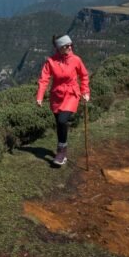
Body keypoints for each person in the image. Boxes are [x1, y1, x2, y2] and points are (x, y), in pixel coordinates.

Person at [35, 34, 90, 166]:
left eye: (70, 44)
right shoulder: (51, 61)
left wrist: (85, 92)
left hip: (71, 94)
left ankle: (61, 152)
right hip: (56, 96)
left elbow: (84, 76)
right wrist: (40, 96)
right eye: (66, 46)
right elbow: (44, 79)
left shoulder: (76, 60)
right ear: (59, 48)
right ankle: (61, 149)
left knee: (62, 120)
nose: (69, 47)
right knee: (59, 124)